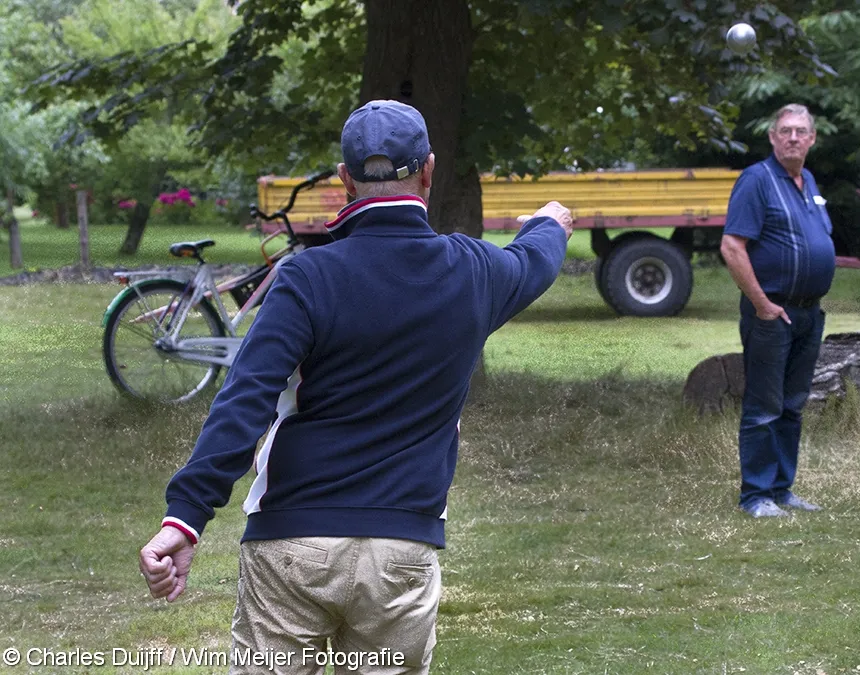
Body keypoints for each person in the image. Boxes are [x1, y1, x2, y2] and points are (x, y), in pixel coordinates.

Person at [138, 100, 573, 673]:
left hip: (291, 544)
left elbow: (246, 397)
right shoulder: (474, 272)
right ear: (429, 170)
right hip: (402, 550)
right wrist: (551, 222)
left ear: (345, 179)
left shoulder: (305, 278)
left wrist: (186, 516)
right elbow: (533, 260)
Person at [720, 103, 837, 518]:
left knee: (792, 404)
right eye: (784, 131)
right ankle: (756, 496)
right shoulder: (757, 180)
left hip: (808, 313)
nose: (792, 137)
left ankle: (782, 489)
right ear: (772, 137)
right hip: (772, 313)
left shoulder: (808, 181)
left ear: (811, 139)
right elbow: (732, 247)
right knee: (764, 406)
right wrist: (762, 305)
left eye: (800, 131)